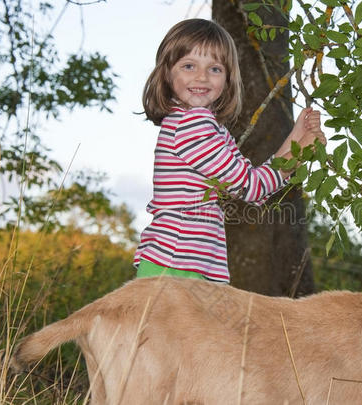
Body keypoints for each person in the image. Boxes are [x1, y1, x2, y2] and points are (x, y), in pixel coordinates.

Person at [133, 19, 325, 283]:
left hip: (186, 265)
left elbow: (251, 181)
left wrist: (296, 136)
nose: (201, 77)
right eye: (189, 66)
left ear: (227, 77)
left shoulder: (206, 127)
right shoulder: (192, 125)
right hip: (175, 266)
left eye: (214, 68)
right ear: (167, 73)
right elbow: (253, 187)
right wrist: (302, 151)